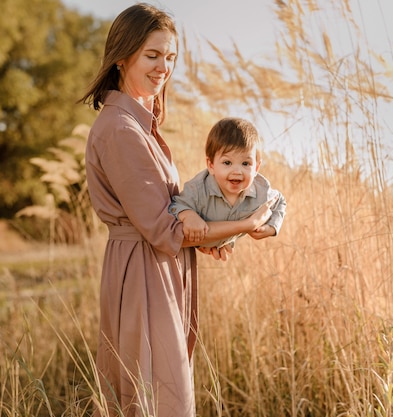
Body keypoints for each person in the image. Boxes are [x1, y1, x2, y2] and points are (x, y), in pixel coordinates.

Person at [79, 4, 274, 417]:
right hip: (142, 273)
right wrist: (247, 223)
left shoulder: (140, 125)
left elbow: (170, 216)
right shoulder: (120, 128)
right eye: (152, 55)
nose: (163, 67)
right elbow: (163, 228)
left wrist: (208, 236)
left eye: (170, 57)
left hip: (157, 266)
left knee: (158, 389)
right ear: (122, 55)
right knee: (155, 394)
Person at [169, 117, 286, 249]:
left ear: (256, 168)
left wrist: (272, 227)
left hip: (216, 245)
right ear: (211, 165)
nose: (237, 171)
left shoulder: (261, 192)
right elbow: (175, 205)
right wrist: (188, 216)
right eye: (227, 163)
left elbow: (280, 201)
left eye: (245, 163)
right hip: (184, 248)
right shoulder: (198, 189)